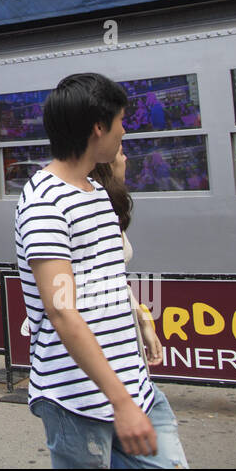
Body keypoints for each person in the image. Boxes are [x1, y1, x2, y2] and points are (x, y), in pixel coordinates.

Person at [15, 73, 187, 469]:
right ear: (98, 127)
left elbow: (105, 281)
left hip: (133, 389)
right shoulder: (45, 204)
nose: (123, 131)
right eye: (121, 121)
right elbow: (62, 311)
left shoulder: (94, 193)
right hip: (79, 402)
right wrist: (120, 402)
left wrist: (140, 317)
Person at [90, 147, 163, 367]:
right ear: (108, 165)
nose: (126, 158)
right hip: (107, 340)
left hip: (121, 331)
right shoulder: (96, 211)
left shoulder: (109, 208)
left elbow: (116, 281)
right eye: (121, 153)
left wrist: (142, 322)